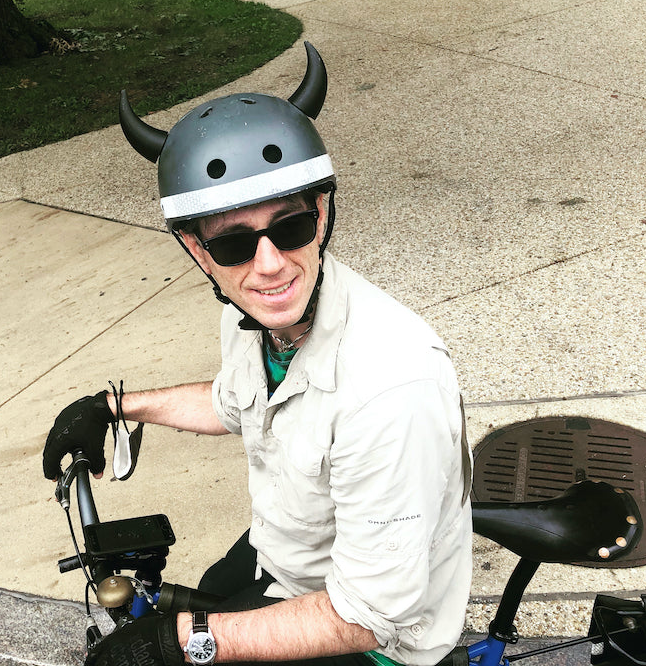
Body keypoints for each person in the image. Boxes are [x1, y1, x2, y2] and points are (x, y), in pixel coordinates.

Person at [42, 42, 473, 666]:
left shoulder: (391, 387)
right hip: (284, 555)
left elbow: (366, 617)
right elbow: (235, 403)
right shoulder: (248, 320)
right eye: (235, 244)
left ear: (321, 214)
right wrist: (112, 406)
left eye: (290, 227)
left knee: (178, 635)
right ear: (197, 251)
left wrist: (182, 641)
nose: (270, 267)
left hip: (376, 638)